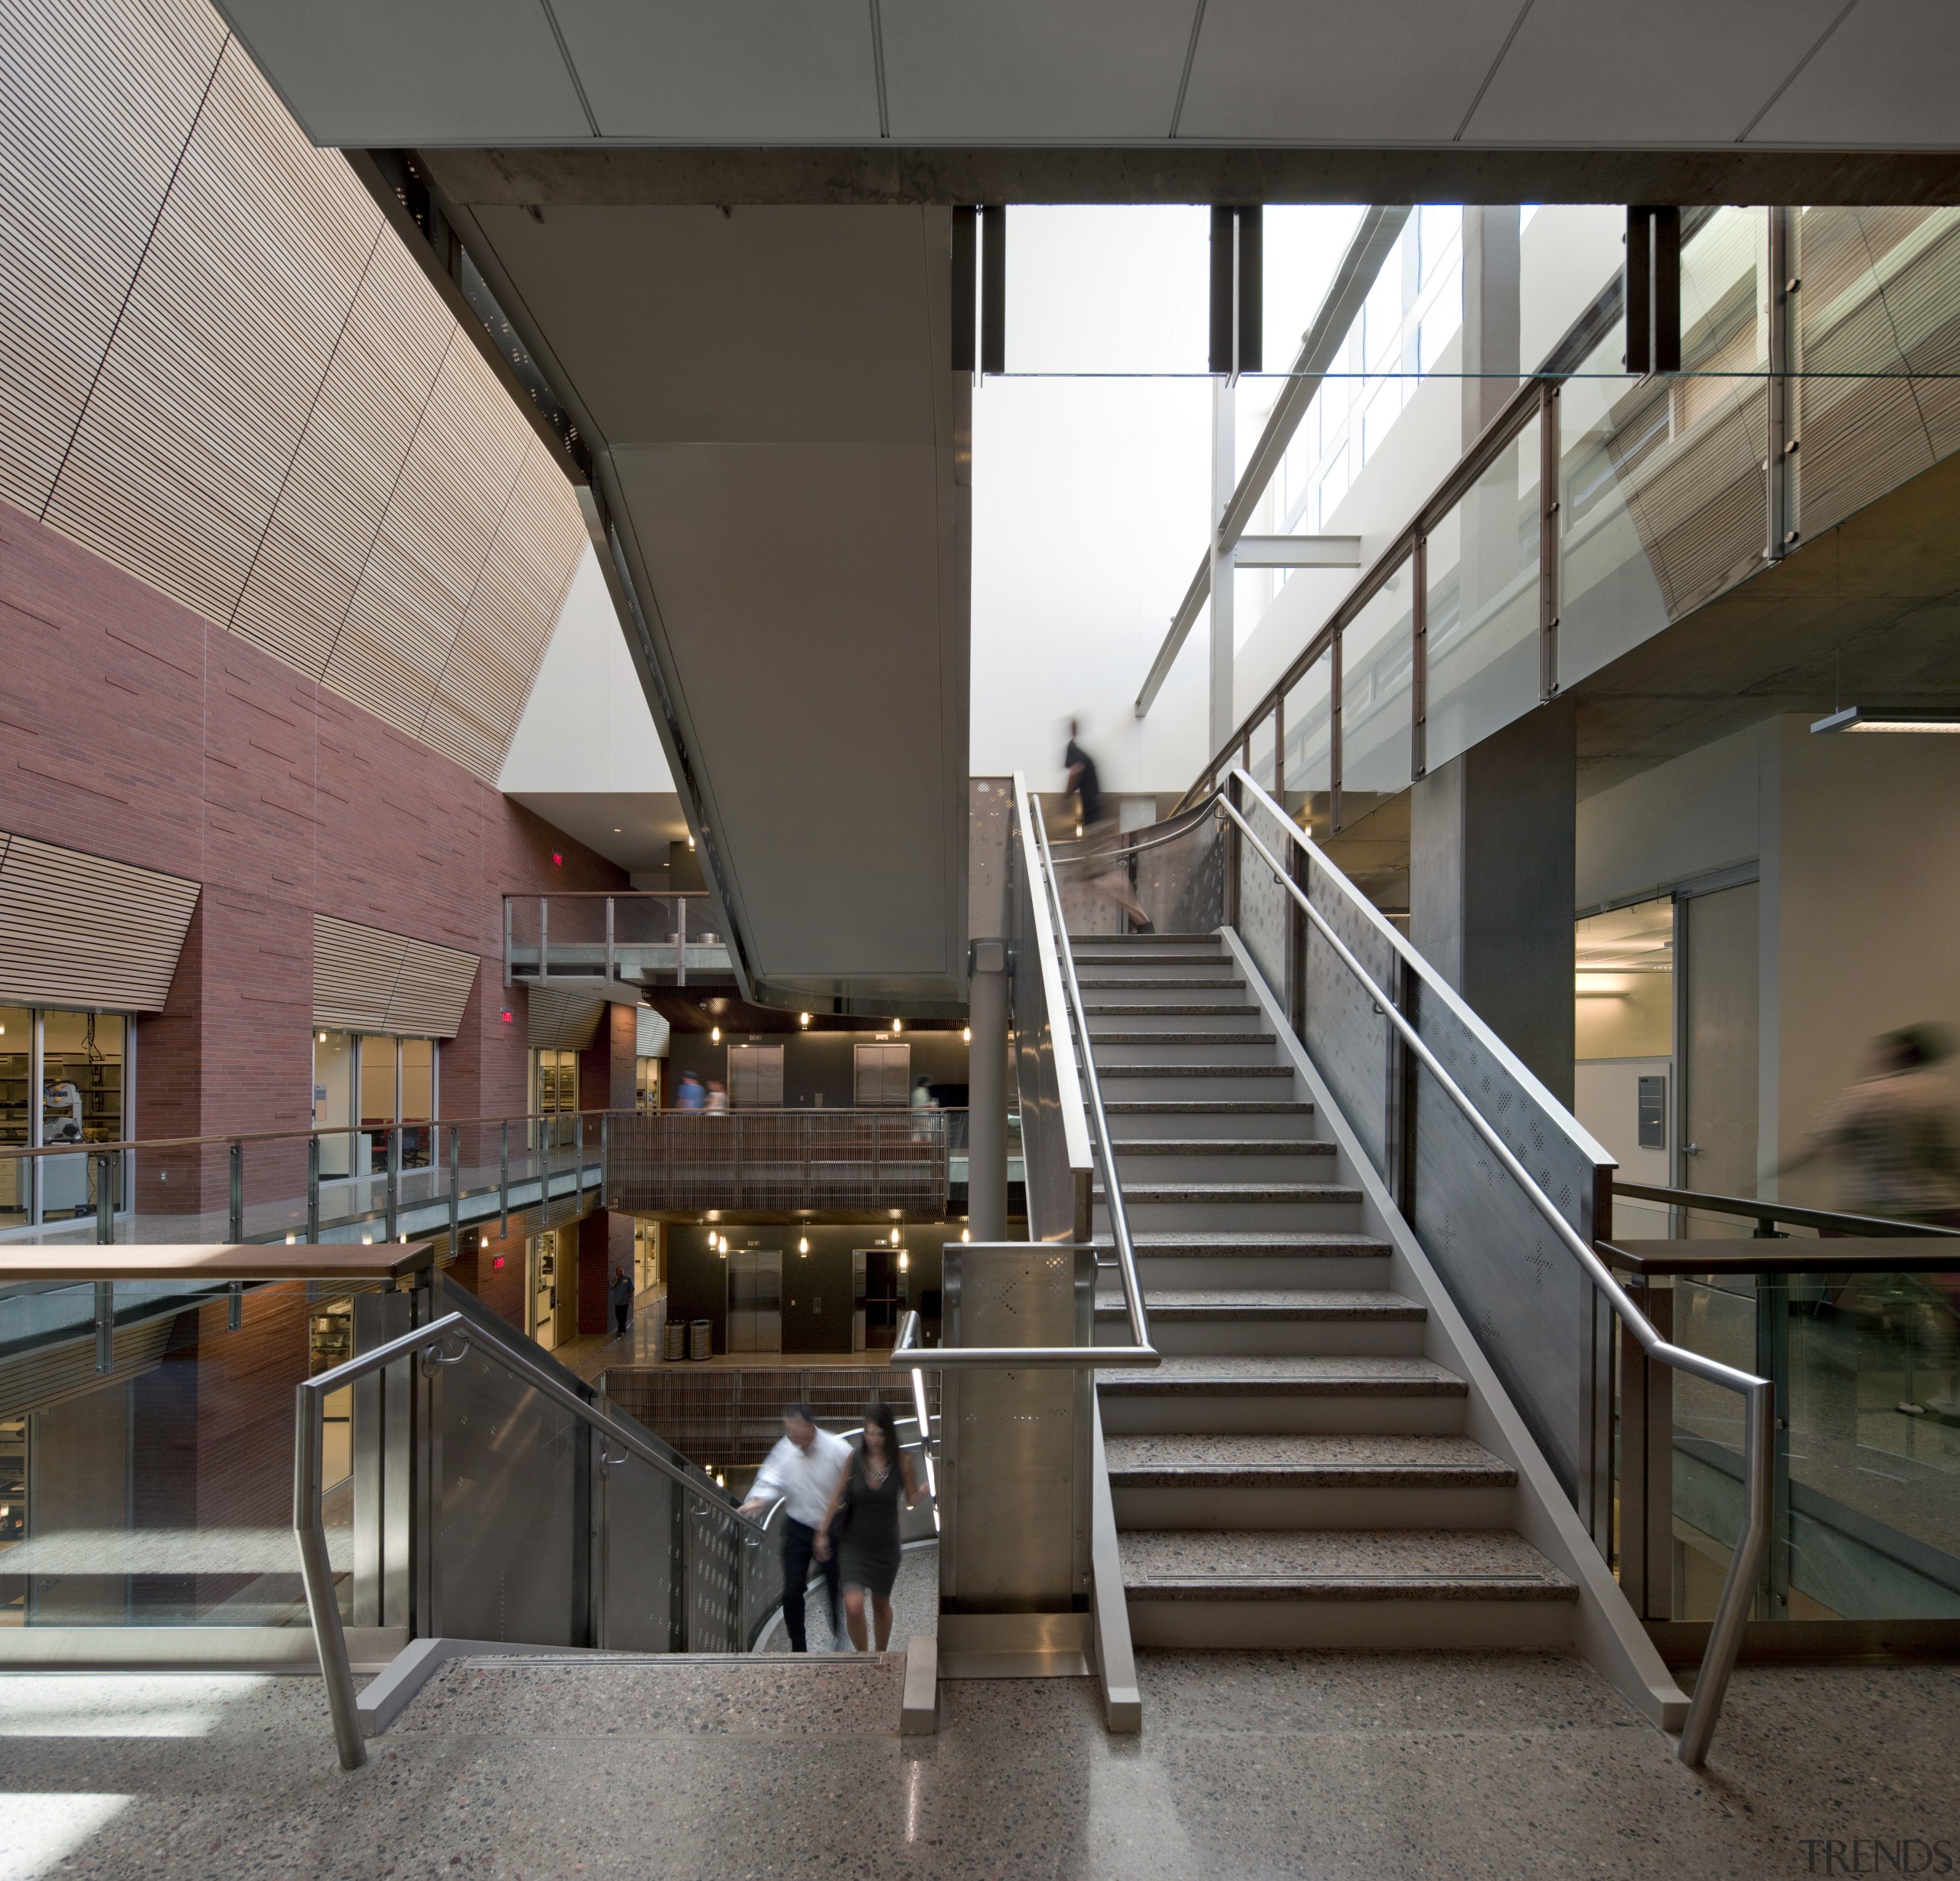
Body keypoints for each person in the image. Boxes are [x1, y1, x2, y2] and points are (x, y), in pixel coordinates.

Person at [1787, 1026, 1960, 1226]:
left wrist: (1768, 1179)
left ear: (1893, 1054)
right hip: (1940, 1207)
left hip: (1888, 1208)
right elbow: (1950, 1158)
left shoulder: (1866, 1094)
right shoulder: (1942, 1092)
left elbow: (1812, 1149)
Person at [738, 1403, 848, 1652]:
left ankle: (839, 1630)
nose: (792, 1436)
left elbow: (852, 1484)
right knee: (791, 1591)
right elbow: (771, 1480)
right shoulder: (785, 1449)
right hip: (798, 1527)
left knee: (834, 1582)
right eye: (789, 1431)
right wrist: (757, 1502)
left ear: (810, 1425)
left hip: (830, 1529)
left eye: (796, 1430)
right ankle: (799, 1645)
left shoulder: (836, 1449)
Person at [815, 1399, 918, 1653]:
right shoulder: (855, 1458)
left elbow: (912, 1498)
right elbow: (838, 1495)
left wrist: (925, 1493)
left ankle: (881, 1655)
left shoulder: (902, 1461)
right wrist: (822, 1532)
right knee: (853, 1604)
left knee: (881, 1603)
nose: (873, 1439)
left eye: (879, 1433)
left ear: (888, 1434)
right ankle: (863, 1656)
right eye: (869, 1432)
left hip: (885, 1545)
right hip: (855, 1543)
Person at [1063, 717, 1152, 932]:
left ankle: (1141, 919)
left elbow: (1076, 771)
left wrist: (1063, 798)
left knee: (1103, 874)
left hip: (1095, 824)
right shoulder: (1085, 753)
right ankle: (1136, 918)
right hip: (1096, 822)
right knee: (1088, 875)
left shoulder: (1074, 750)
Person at [608, 1266, 632, 1337]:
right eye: (619, 1271)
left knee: (623, 1316)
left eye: (622, 1271)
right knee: (618, 1316)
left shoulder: (628, 1278)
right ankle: (623, 1328)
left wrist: (630, 1297)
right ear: (617, 1272)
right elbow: (611, 1288)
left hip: (625, 1300)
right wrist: (616, 1282)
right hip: (617, 1301)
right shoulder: (614, 1279)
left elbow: (631, 1288)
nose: (621, 1272)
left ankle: (620, 1330)